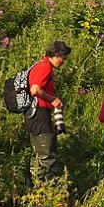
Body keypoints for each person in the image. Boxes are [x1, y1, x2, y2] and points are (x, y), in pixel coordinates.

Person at [26, 40, 71, 182]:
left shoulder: (38, 65)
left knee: (37, 154)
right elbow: (35, 89)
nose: (63, 62)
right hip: (39, 113)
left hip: (32, 114)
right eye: (63, 58)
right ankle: (46, 190)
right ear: (57, 55)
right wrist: (53, 99)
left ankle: (32, 188)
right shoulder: (45, 67)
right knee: (47, 155)